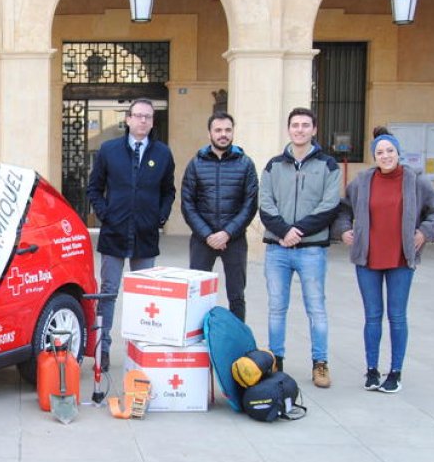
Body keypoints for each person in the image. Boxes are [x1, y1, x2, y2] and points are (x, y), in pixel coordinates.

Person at [333, 127, 434, 393]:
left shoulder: (415, 181)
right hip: (368, 258)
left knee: (397, 316)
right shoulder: (362, 181)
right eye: (380, 152)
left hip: (400, 258)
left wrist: (424, 232)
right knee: (372, 316)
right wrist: (344, 230)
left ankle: (395, 372)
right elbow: (343, 209)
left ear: (399, 153)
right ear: (374, 156)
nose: (385, 156)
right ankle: (372, 370)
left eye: (390, 151)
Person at [87, 98, 176, 371]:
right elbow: (94, 188)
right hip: (114, 233)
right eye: (137, 116)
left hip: (145, 236)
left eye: (147, 117)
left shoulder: (162, 154)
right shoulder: (109, 150)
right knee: (109, 292)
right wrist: (106, 214)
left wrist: (159, 217)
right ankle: (102, 349)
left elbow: (168, 190)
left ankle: (141, 350)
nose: (142, 121)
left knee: (144, 296)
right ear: (127, 119)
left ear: (152, 121)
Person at [259, 107, 341, 388]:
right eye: (295, 125)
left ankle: (320, 363)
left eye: (306, 125)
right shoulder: (273, 165)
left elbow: (329, 206)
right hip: (277, 249)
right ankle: (275, 360)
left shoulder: (328, 165)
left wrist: (299, 231)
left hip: (312, 250)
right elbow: (266, 204)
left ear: (314, 130)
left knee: (316, 308)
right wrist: (284, 231)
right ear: (288, 129)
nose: (300, 130)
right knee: (276, 308)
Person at [180, 111, 258, 321]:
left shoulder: (246, 164)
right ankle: (198, 343)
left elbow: (250, 204)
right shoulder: (196, 164)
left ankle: (238, 343)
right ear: (209, 134)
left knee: (237, 295)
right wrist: (208, 235)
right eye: (218, 130)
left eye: (227, 130)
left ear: (233, 133)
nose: (223, 134)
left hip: (235, 239)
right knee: (197, 294)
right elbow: (187, 204)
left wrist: (227, 233)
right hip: (202, 240)